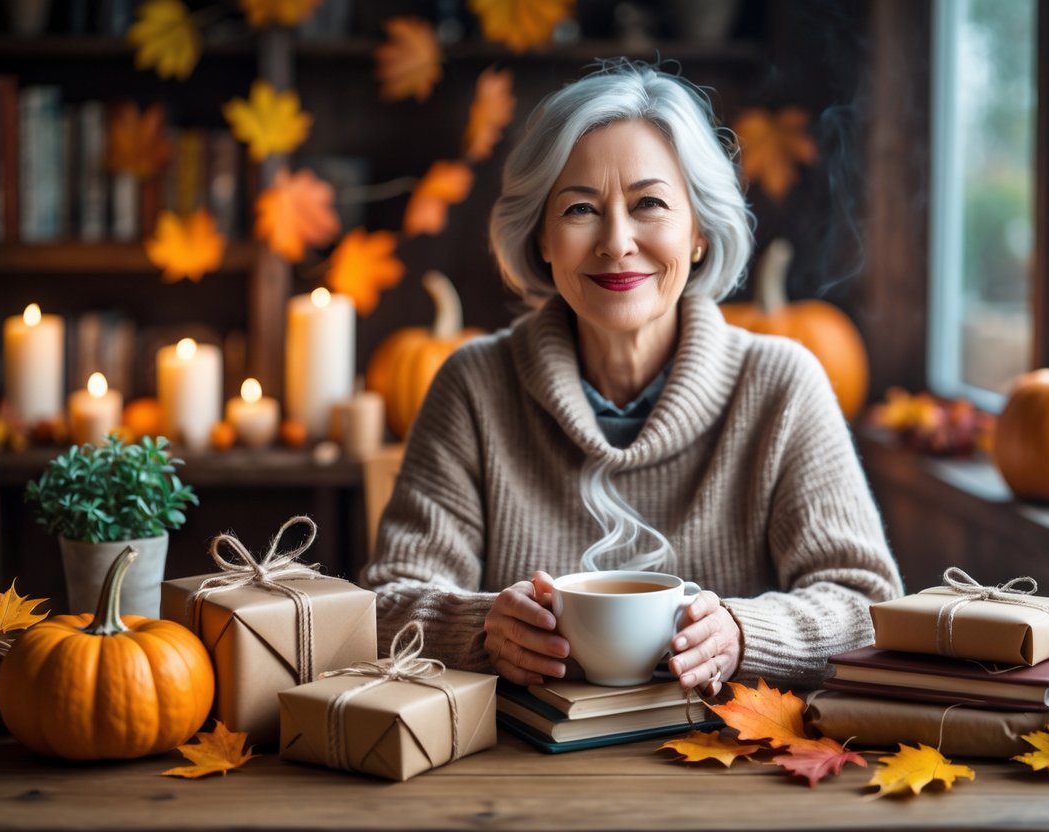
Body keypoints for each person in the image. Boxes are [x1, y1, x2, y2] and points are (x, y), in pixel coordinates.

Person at [362, 60, 902, 697]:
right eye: (580, 209)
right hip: (515, 771)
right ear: (541, 238)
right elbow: (386, 604)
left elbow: (868, 607)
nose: (617, 242)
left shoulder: (783, 384)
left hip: (730, 769)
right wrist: (484, 628)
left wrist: (742, 632)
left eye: (649, 204)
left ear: (698, 231)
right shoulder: (473, 385)